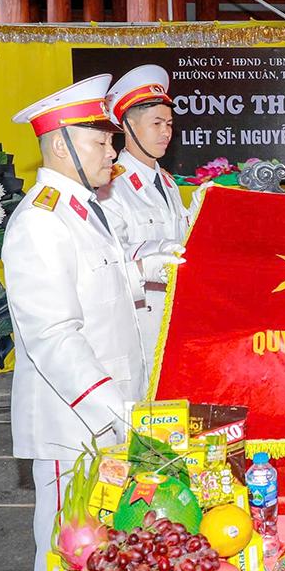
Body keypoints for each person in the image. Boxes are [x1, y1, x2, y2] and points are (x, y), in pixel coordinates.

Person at [6, 74, 150, 571]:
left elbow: (95, 285)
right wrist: (114, 408)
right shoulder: (40, 221)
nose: (112, 152)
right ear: (62, 147)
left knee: (103, 543)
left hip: (108, 411)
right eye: (100, 141)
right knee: (66, 543)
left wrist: (146, 271)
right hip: (74, 420)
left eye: (111, 141)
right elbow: (52, 334)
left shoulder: (82, 208)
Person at [102, 64, 189, 359]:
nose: (166, 132)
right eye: (156, 123)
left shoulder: (167, 182)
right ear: (128, 126)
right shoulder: (111, 185)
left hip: (176, 320)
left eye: (169, 124)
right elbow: (110, 257)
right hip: (139, 325)